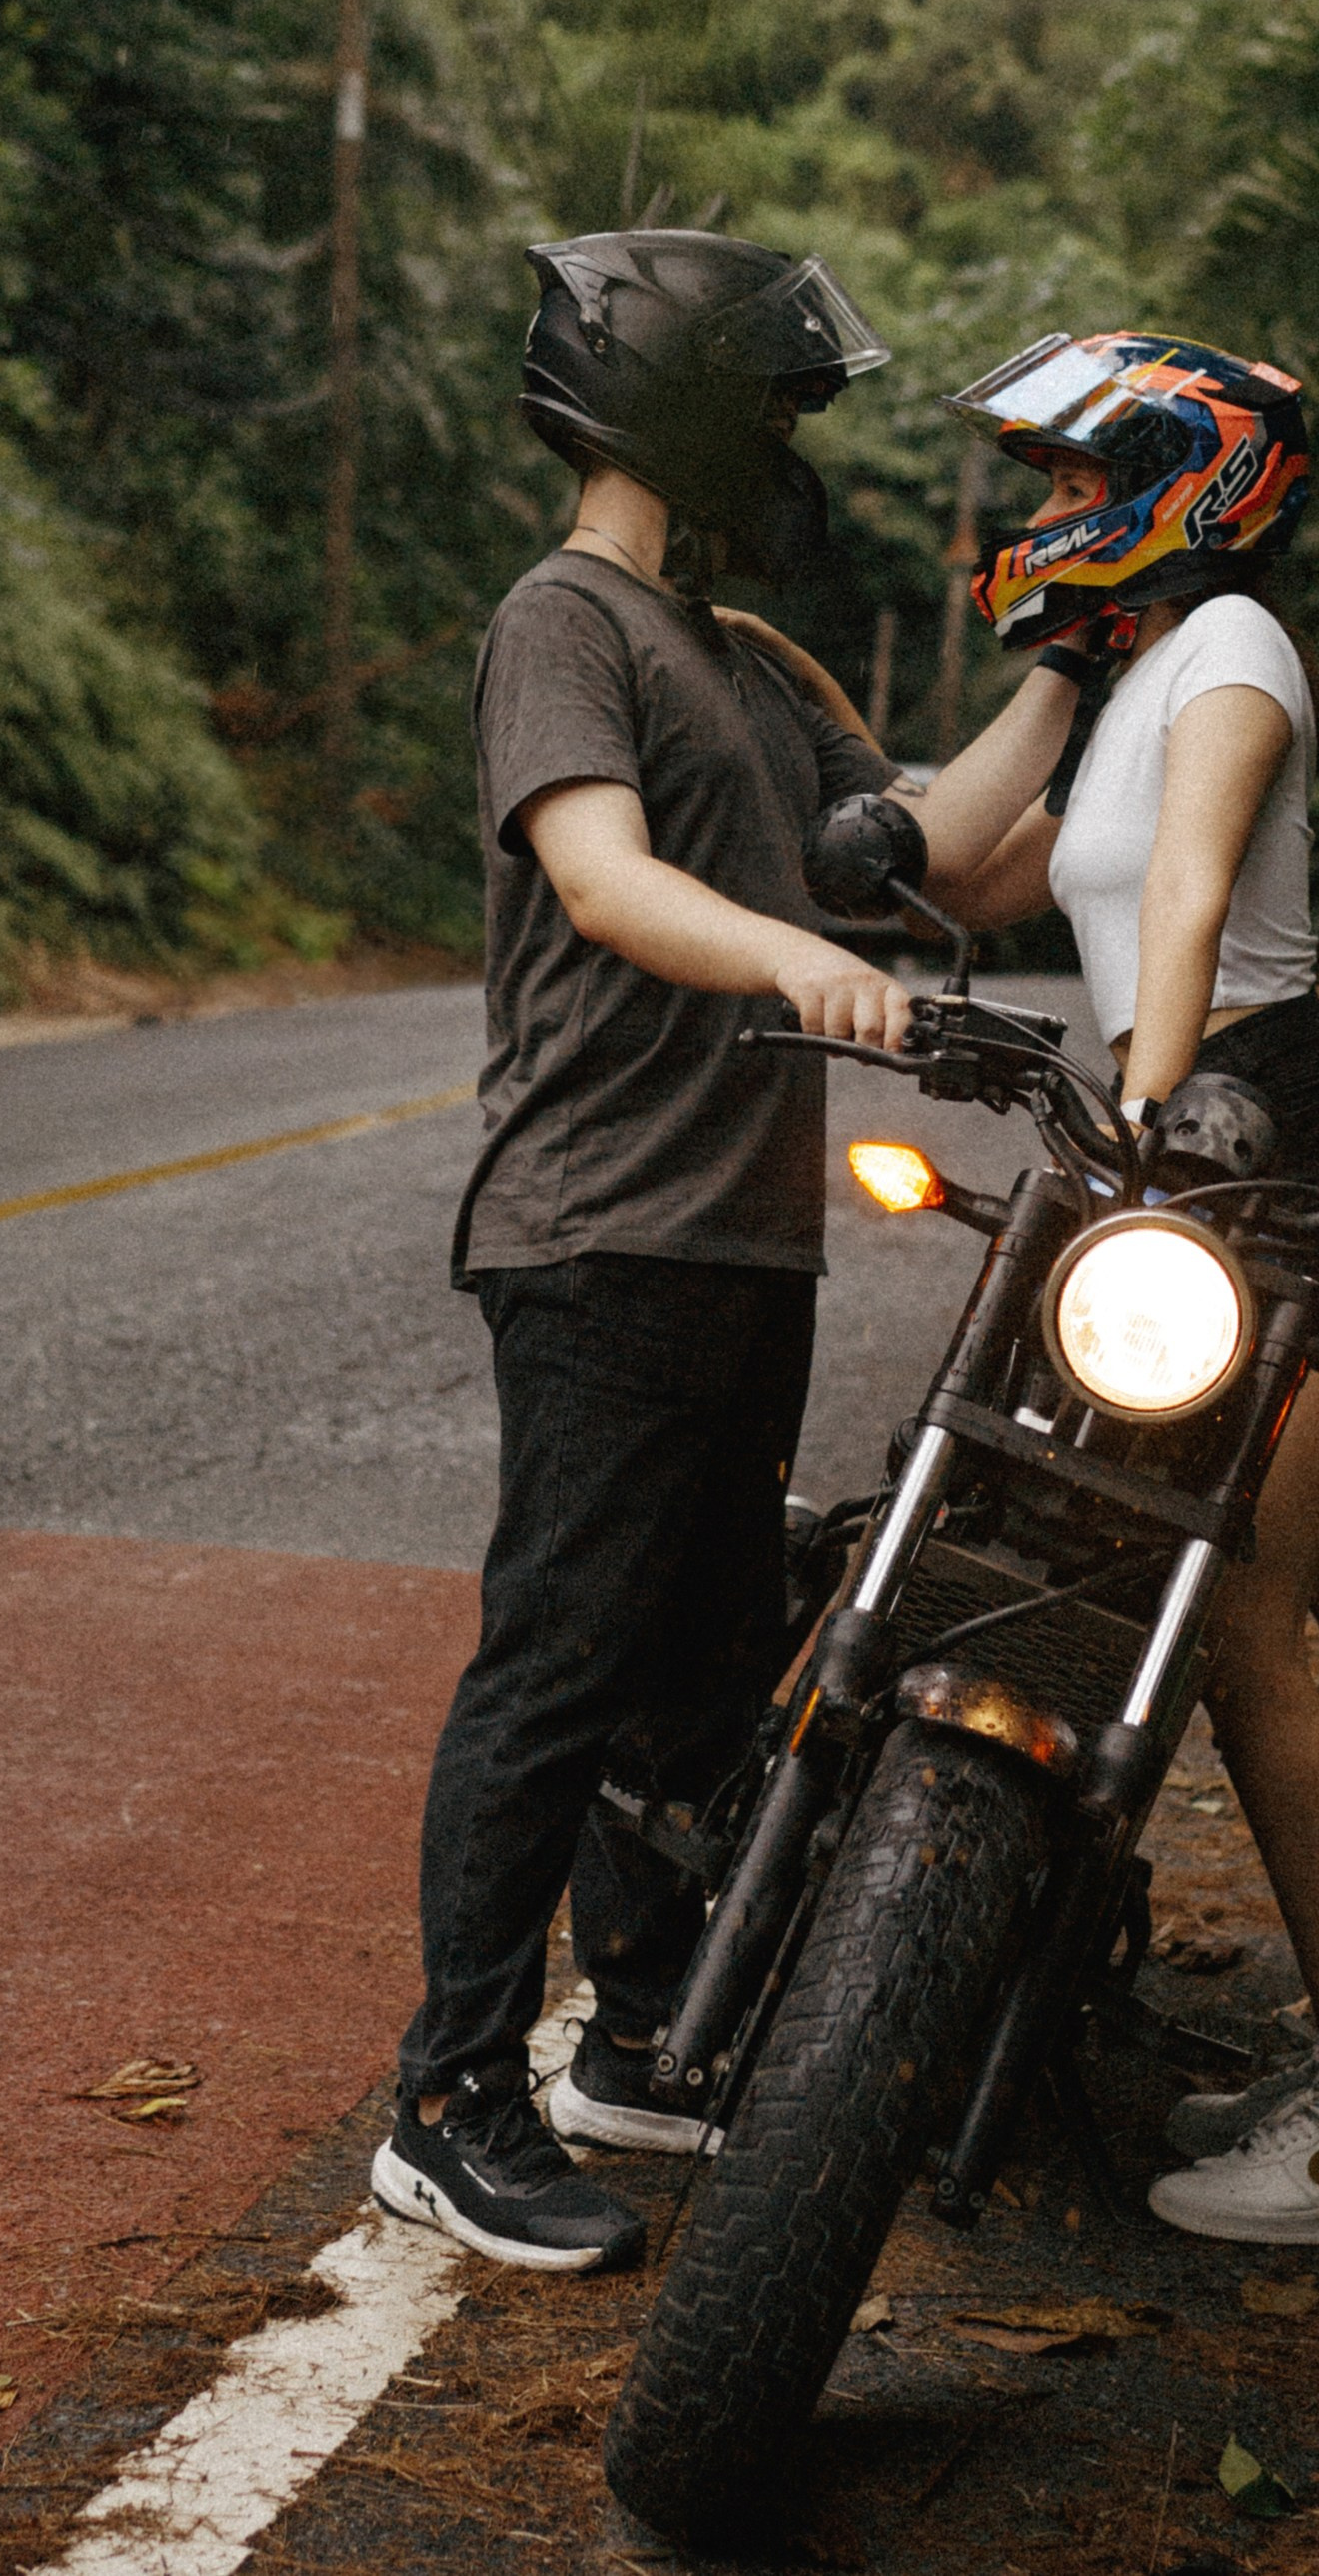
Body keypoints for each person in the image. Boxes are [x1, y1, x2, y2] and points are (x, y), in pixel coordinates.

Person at [370, 227, 920, 2277]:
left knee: (700, 1677)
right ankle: (448, 2094)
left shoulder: (756, 655)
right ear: (679, 407)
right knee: (558, 1663)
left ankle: (640, 2036)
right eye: (772, 403)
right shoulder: (560, 620)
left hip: (744, 1235)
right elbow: (598, 875)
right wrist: (795, 952)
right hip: (598, 1223)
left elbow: (921, 831)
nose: (790, 440)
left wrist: (1089, 657)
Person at [915, 331, 1319, 2248]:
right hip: (1250, 1140)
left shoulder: (1229, 649)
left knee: (1239, 1630)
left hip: (1279, 1154)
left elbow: (1188, 896)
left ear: (1187, 478)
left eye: (1080, 481)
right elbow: (993, 886)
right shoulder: (1140, 665)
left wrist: (1138, 1120)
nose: (1055, 515)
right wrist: (816, 734)